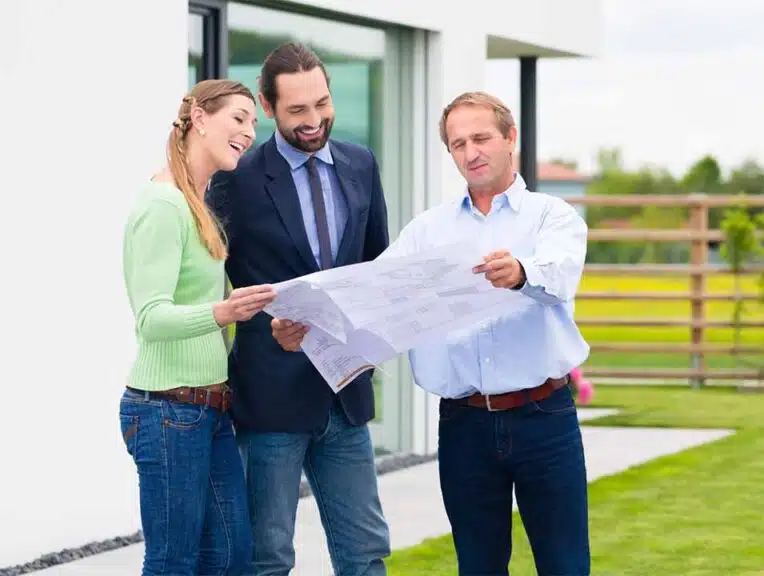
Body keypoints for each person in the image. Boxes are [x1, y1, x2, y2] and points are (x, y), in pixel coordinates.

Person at [272, 91, 592, 576]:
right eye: (458, 143)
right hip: (464, 427)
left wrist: (522, 271)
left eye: (481, 138)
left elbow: (559, 275)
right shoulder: (427, 231)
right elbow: (369, 297)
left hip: (544, 418)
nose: (471, 152)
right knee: (477, 567)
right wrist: (307, 326)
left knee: (565, 566)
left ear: (511, 139)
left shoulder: (553, 217)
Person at [206, 42, 391, 576]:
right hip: (270, 401)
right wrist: (266, 325)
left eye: (322, 104)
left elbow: (373, 267)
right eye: (297, 111)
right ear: (267, 108)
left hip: (345, 392)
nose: (314, 121)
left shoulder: (361, 164)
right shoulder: (236, 179)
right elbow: (207, 284)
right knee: (267, 557)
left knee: (366, 553)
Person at [119, 79, 277, 575]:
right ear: (200, 119)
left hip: (208, 410)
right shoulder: (163, 204)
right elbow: (152, 319)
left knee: (231, 558)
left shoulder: (198, 201)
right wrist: (224, 311)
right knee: (173, 563)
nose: (249, 132)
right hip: (167, 411)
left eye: (253, 122)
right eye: (238, 118)